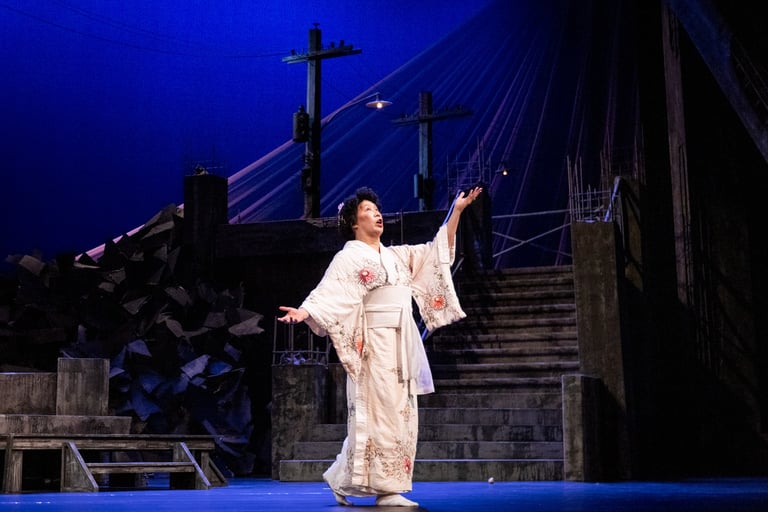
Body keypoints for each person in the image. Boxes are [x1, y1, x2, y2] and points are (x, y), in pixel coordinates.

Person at [278, 185, 482, 507]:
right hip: (372, 346)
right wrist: (304, 312)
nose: (377, 215)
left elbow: (436, 252)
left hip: (401, 342)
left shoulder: (396, 256)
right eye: (368, 211)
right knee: (378, 415)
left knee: (401, 414)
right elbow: (329, 293)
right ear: (354, 222)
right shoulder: (348, 257)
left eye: (377, 210)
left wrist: (456, 211)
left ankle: (345, 478)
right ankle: (386, 490)